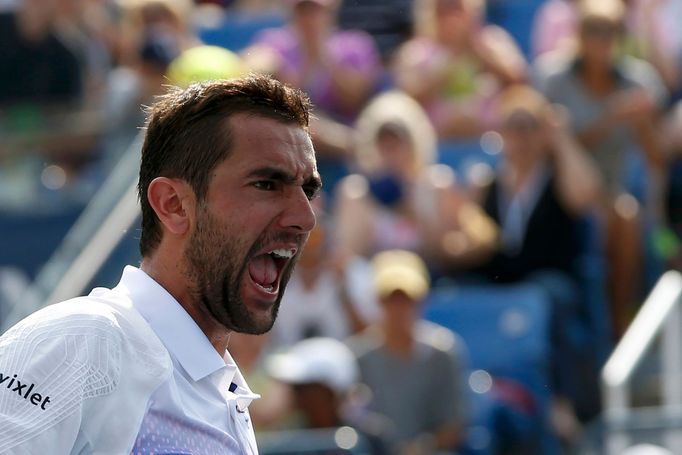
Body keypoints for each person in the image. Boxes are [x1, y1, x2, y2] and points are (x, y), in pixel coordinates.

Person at [0, 74, 322, 454]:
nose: (305, 217)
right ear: (173, 204)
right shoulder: (86, 339)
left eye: (309, 190)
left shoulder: (221, 394)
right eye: (267, 184)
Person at [537, 0, 667, 338]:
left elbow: (656, 160)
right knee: (614, 215)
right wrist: (611, 117)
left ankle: (619, 322)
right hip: (556, 198)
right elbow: (550, 147)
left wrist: (641, 124)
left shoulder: (639, 80)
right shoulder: (552, 78)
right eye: (593, 30)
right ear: (578, 35)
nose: (601, 39)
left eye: (610, 31)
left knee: (625, 216)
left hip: (609, 196)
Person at [348, 249, 469, 455]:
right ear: (378, 301)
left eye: (407, 299)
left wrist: (421, 448)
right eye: (391, 299)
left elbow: (454, 426)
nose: (399, 308)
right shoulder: (356, 356)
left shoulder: (444, 352)